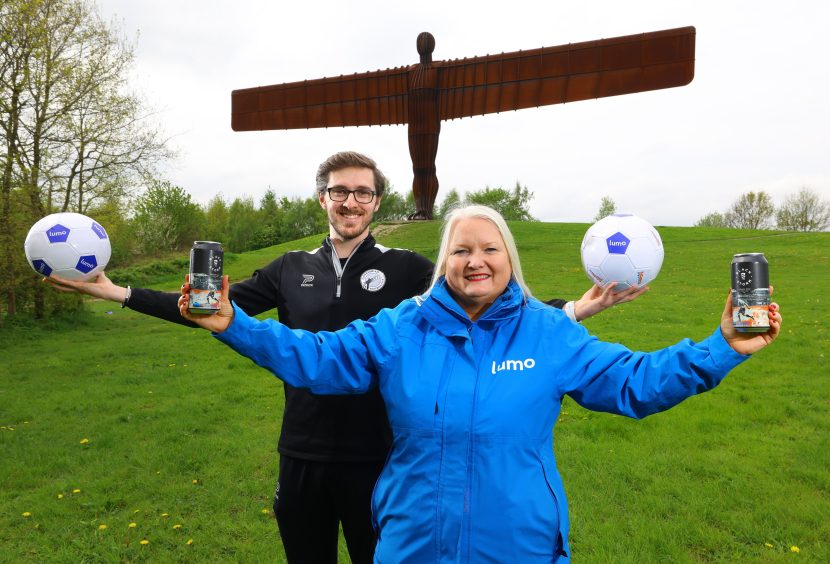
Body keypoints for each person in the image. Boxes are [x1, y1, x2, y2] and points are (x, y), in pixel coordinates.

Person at [45, 153, 643, 563]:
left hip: (379, 454)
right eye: (339, 191)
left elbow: (480, 298)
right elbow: (213, 312)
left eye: (362, 191)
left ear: (376, 201)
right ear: (323, 198)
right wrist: (118, 293)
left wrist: (571, 313)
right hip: (302, 449)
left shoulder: (410, 268)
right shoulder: (287, 267)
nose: (350, 201)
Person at [178, 204, 781, 563]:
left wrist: (722, 347)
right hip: (413, 543)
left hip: (517, 544)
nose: (476, 261)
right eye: (461, 250)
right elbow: (316, 357)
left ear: (510, 258)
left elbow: (636, 383)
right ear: (444, 261)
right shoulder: (400, 327)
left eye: (490, 249)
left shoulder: (549, 333)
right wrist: (234, 323)